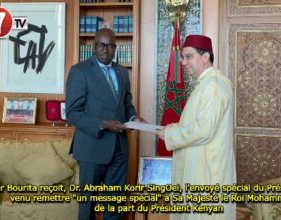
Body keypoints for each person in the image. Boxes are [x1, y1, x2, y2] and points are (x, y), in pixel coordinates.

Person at [66, 28, 145, 220]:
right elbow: (72, 114)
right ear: (94, 46)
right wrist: (103, 124)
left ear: (115, 48)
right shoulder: (80, 71)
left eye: (110, 46)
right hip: (92, 149)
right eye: (101, 45)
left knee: (116, 205)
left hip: (119, 149)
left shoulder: (122, 72)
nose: (105, 50)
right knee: (88, 205)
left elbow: (127, 104)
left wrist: (134, 118)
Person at [157, 34, 236, 220]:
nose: (183, 63)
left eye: (188, 56)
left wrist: (170, 133)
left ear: (205, 57)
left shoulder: (214, 86)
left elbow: (203, 130)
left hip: (207, 173)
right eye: (183, 57)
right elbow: (199, 122)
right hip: (199, 168)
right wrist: (175, 126)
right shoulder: (205, 85)